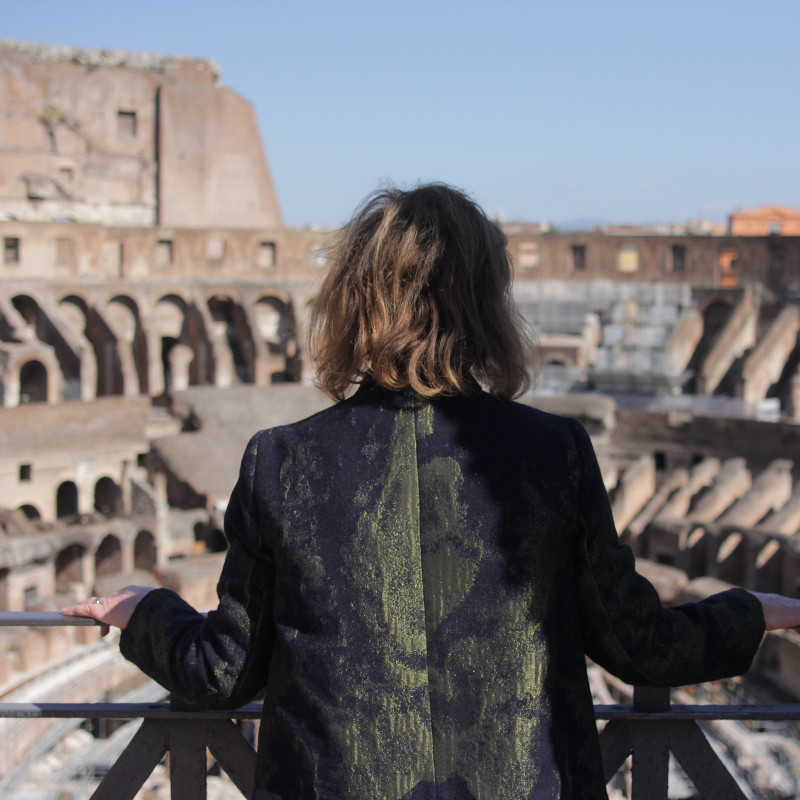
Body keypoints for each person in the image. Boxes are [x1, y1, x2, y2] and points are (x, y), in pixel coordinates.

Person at [63, 183, 800, 799]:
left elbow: (222, 670)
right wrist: (746, 614)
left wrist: (143, 613)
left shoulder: (279, 461)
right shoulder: (553, 452)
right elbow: (640, 644)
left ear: (353, 302)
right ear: (487, 304)